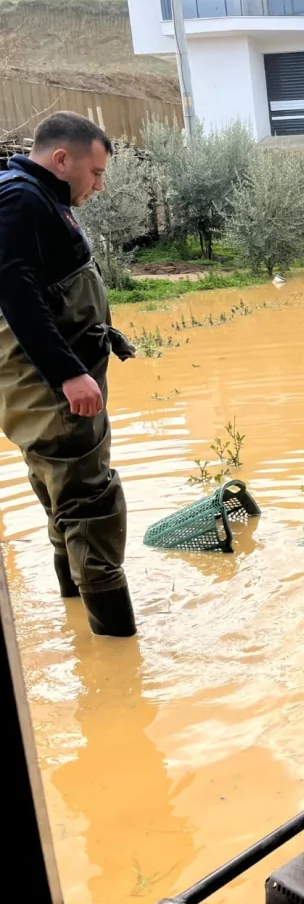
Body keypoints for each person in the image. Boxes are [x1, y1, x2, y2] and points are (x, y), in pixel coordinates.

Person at [0, 111, 136, 636]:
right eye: (95, 174)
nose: (99, 186)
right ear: (62, 159)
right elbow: (14, 290)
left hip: (50, 392)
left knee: (65, 500)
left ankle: (77, 615)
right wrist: (68, 375)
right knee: (92, 503)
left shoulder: (37, 197)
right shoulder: (20, 198)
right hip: (54, 395)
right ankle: (118, 652)